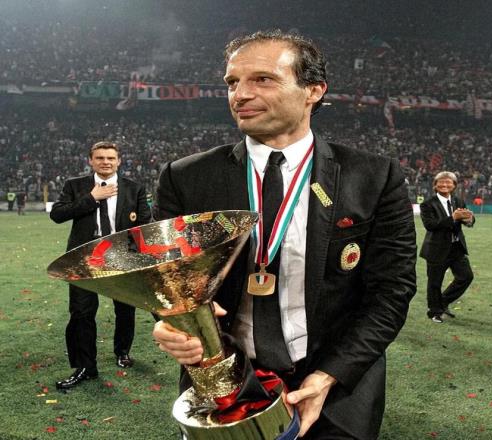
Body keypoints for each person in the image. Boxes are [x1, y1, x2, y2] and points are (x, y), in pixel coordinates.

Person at [152, 30, 416, 439]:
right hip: (226, 378)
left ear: (313, 90)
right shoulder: (185, 178)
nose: (241, 94)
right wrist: (172, 321)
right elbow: (167, 280)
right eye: (232, 82)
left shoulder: (373, 177)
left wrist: (329, 375)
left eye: (263, 79)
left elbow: (392, 290)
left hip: (338, 379)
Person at [50, 141, 151, 389]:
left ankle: (122, 351)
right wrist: (92, 198)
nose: (105, 162)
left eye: (110, 158)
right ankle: (86, 367)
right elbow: (57, 214)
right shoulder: (75, 185)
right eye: (100, 158)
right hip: (84, 258)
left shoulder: (134, 188)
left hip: (121, 257)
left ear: (119, 161)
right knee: (81, 312)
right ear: (90, 161)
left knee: (125, 308)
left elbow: (145, 224)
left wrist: (136, 257)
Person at [419, 171, 474, 323]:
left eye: (449, 182)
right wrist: (452, 218)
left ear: (454, 185)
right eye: (441, 182)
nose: (445, 184)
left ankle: (442, 302)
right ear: (435, 185)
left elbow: (467, 221)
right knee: (435, 282)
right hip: (436, 249)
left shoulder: (458, 201)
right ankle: (435, 312)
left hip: (456, 248)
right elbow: (430, 225)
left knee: (466, 276)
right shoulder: (427, 204)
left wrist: (469, 219)